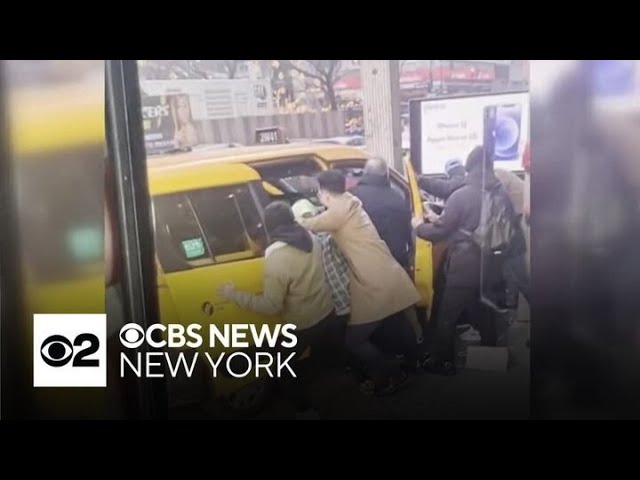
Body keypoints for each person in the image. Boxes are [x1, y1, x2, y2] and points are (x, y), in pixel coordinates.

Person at [299, 170, 421, 396]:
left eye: (319, 191)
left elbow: (311, 225)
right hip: (387, 273)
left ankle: (393, 375)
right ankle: (414, 363)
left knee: (355, 341)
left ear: (324, 193)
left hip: (375, 281)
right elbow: (326, 218)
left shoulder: (337, 213)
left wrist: (296, 218)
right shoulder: (349, 203)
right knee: (398, 322)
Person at [218, 201, 335, 419]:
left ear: (269, 227)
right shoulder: (311, 238)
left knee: (280, 368)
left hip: (304, 324)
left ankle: (306, 411)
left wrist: (233, 295)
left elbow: (271, 306)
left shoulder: (276, 258)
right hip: (326, 311)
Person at [412, 145, 508, 376]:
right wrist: (441, 218)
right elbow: (472, 223)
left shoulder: (461, 194)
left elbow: (439, 233)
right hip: (490, 264)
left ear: (469, 167)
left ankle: (443, 362)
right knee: (480, 307)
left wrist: (419, 226)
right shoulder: (498, 192)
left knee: (447, 315)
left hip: (464, 265)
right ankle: (491, 352)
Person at [349, 157, 424, 345]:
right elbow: (409, 234)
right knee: (402, 304)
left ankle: (369, 344)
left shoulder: (354, 197)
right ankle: (416, 340)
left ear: (365, 173)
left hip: (366, 262)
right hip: (395, 259)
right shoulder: (397, 198)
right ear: (386, 175)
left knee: (372, 307)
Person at [292, 198, 350, 370]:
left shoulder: (308, 243)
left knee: (342, 338)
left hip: (333, 301)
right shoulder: (331, 234)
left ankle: (347, 365)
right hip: (347, 293)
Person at [494, 166, 530, 310]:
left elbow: (497, 201)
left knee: (517, 273)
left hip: (516, 223)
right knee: (511, 270)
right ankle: (511, 305)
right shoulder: (499, 174)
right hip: (515, 225)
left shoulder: (497, 176)